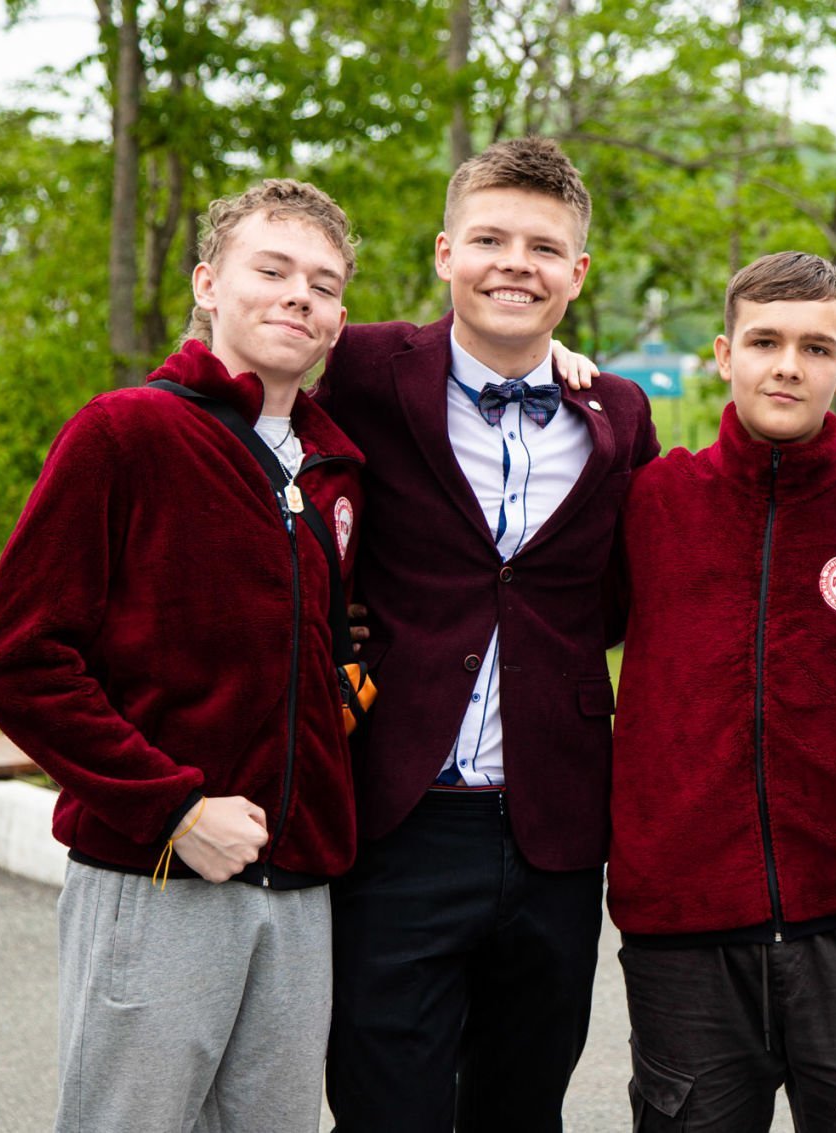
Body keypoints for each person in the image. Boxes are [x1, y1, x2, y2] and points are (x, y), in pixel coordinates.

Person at [0, 179, 364, 1133]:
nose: (298, 295)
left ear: (340, 322)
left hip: (300, 888)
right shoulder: (126, 432)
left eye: (323, 283)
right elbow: (12, 659)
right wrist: (174, 808)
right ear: (208, 285)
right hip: (157, 874)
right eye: (272, 270)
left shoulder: (336, 470)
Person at [318, 136, 658, 1133]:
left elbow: (616, 593)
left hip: (554, 826)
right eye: (490, 240)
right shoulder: (364, 367)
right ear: (444, 254)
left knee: (523, 1105)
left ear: (576, 273)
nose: (517, 263)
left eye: (544, 248)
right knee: (388, 1105)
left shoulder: (617, 411)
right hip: (400, 812)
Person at [605, 251, 836, 1131]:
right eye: (764, 341)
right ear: (724, 353)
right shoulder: (654, 500)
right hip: (683, 922)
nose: (788, 365)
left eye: (815, 348)